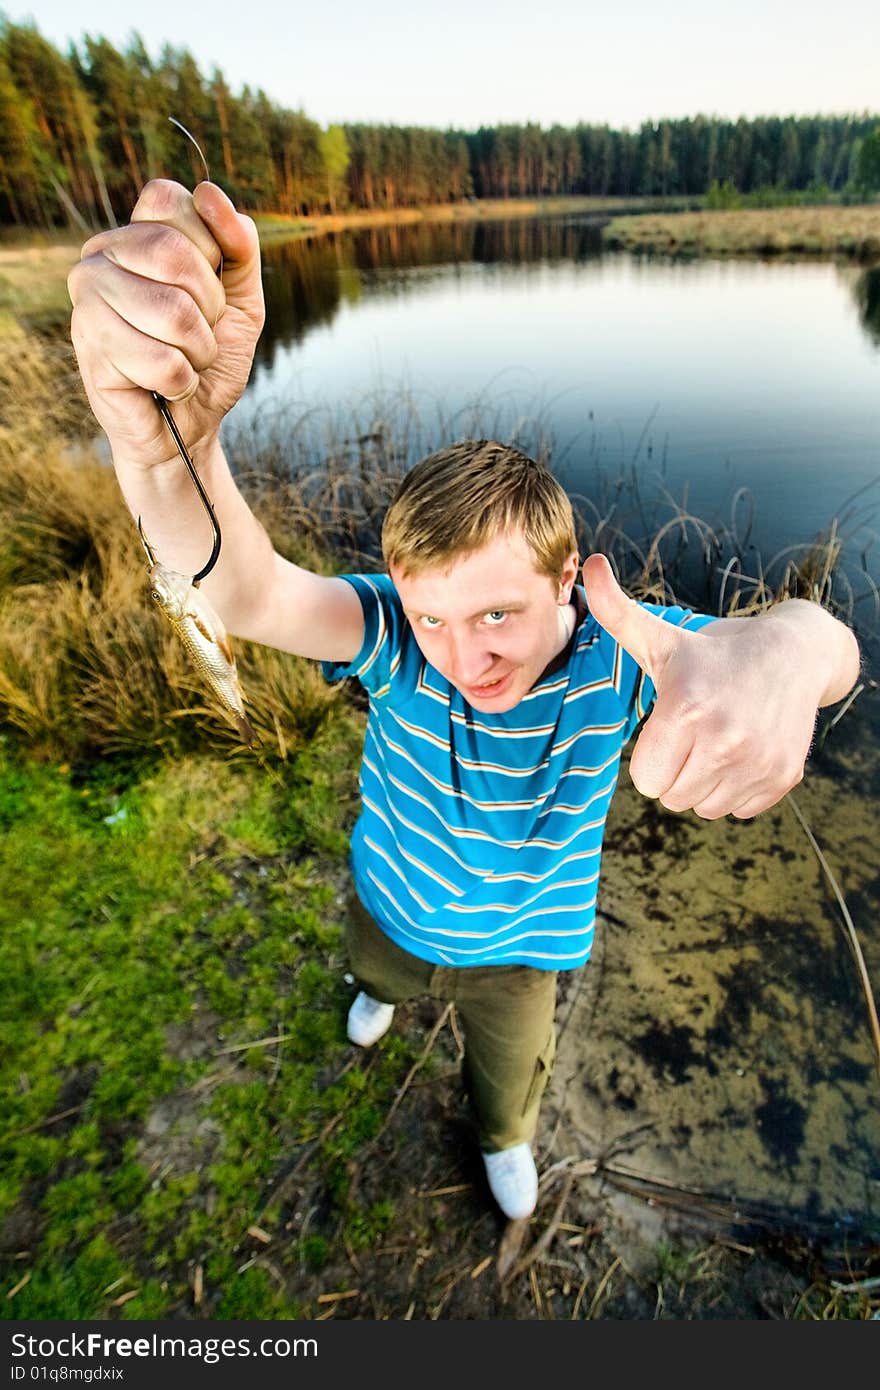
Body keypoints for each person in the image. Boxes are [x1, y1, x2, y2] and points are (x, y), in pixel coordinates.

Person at [68, 180, 862, 1222]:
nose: (460, 655)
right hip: (391, 911)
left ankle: (500, 1139)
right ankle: (378, 997)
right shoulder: (394, 638)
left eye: (494, 615)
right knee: (378, 976)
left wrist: (791, 650)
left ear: (564, 578)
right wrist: (165, 446)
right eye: (434, 618)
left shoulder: (626, 656)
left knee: (508, 1074)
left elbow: (826, 650)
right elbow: (249, 591)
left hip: (524, 954)